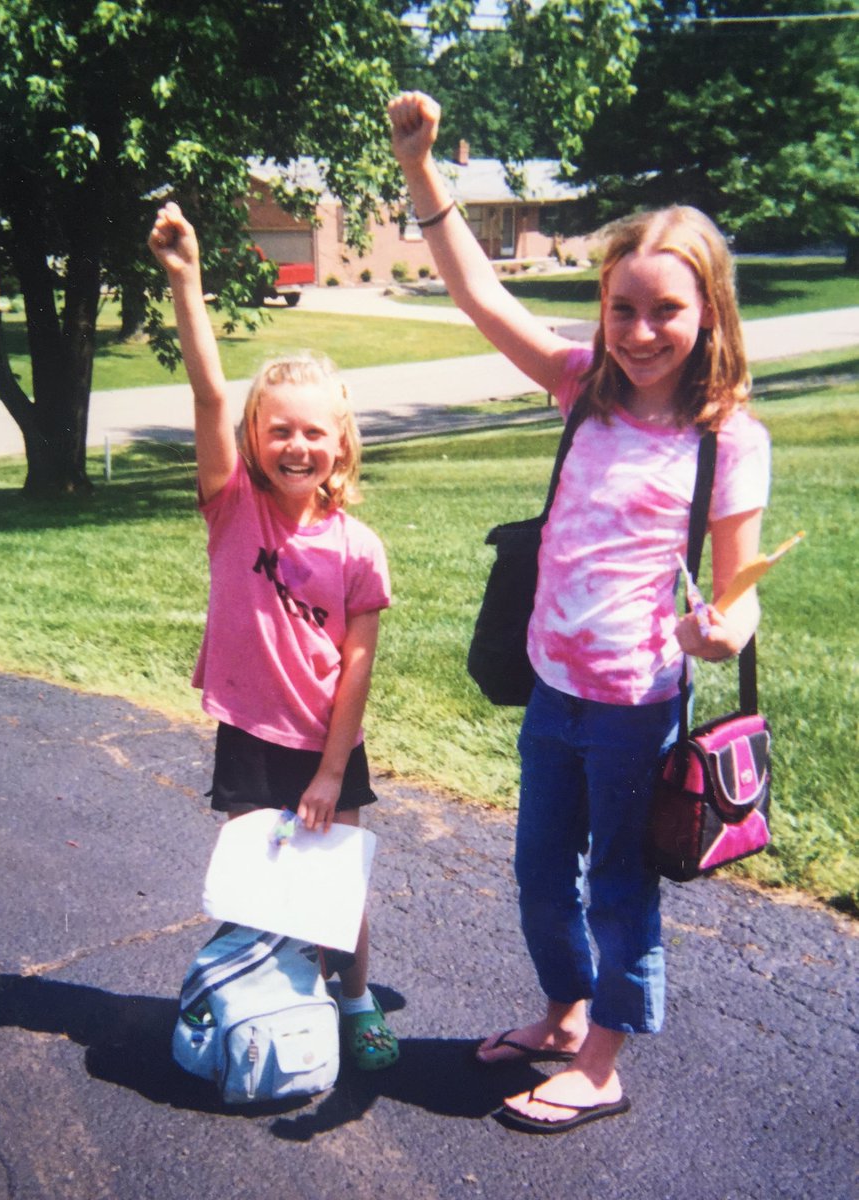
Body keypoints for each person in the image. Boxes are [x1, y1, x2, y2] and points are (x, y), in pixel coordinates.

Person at [388, 92, 770, 1132]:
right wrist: (421, 168)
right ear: (600, 312)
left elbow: (736, 597)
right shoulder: (581, 389)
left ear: (709, 317)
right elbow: (476, 293)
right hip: (553, 688)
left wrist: (718, 632)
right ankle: (561, 1016)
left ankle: (602, 1058)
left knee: (620, 885)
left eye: (666, 311)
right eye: (622, 309)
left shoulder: (727, 436)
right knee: (538, 871)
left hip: (641, 703)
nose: (642, 332)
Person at [148, 201, 399, 1071]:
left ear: (341, 444)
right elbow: (210, 391)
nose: (297, 445)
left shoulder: (359, 548)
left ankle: (356, 997)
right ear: (256, 440)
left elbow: (357, 667)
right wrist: (187, 282)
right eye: (278, 430)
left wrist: (333, 769)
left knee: (337, 884)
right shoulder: (233, 510)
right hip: (251, 735)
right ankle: (272, 997)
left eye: (314, 433)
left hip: (327, 743)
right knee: (262, 881)